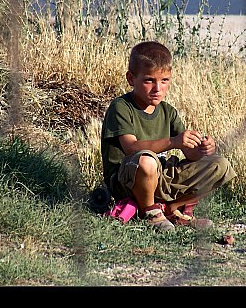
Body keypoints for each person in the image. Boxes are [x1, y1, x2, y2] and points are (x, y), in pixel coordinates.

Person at [101, 41, 237, 231]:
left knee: (219, 165)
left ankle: (171, 209)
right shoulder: (121, 107)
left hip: (161, 177)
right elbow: (130, 147)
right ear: (131, 79)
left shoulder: (168, 111)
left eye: (164, 80)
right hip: (128, 179)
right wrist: (173, 142)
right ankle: (150, 211)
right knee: (146, 161)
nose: (158, 88)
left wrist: (202, 149)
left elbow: (190, 155)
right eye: (149, 80)